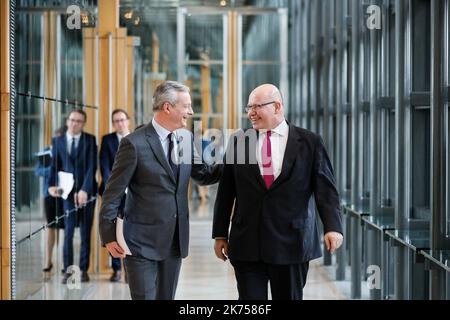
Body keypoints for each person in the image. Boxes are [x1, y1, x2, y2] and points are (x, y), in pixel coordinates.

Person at [212, 84, 343, 300]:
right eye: (249, 107)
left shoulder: (309, 142)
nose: (251, 113)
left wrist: (333, 227)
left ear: (277, 106)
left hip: (291, 242)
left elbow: (326, 189)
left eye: (257, 106)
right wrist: (220, 233)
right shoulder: (239, 141)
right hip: (247, 244)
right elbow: (226, 191)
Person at [99, 81, 222, 300]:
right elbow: (113, 193)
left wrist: (235, 164)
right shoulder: (133, 144)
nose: (191, 112)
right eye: (186, 106)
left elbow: (204, 174)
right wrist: (108, 236)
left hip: (174, 240)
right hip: (139, 242)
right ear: (167, 107)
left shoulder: (186, 139)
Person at [48, 109, 98, 284]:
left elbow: (92, 167)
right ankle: (68, 271)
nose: (74, 123)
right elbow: (54, 166)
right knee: (68, 232)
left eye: (78, 121)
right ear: (67, 120)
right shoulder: (58, 141)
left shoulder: (90, 140)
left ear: (83, 123)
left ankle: (83, 270)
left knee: (85, 232)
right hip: (67, 194)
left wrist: (84, 189)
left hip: (87, 192)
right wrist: (51, 186)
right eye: (72, 120)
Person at [99, 109, 131, 282]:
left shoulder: (135, 139)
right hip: (113, 193)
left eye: (122, 120)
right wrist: (110, 190)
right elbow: (104, 167)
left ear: (128, 121)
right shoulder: (108, 140)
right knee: (112, 229)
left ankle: (128, 267)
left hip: (131, 193)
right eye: (116, 121)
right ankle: (116, 269)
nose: (119, 123)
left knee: (127, 229)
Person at [35, 126, 66, 274]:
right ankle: (48, 260)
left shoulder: (66, 151)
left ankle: (62, 262)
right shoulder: (45, 152)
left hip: (63, 193)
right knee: (51, 228)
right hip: (48, 194)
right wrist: (53, 168)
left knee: (64, 228)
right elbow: (38, 171)